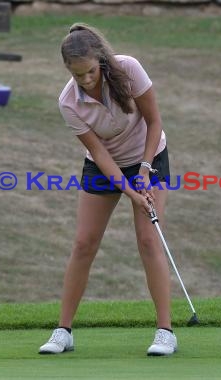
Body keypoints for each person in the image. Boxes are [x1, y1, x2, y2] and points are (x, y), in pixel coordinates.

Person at [39, 23, 177, 356]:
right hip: (105, 165)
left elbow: (154, 121)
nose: (85, 80)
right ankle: (64, 331)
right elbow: (99, 153)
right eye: (77, 76)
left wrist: (144, 171)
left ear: (100, 60)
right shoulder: (68, 101)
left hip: (149, 153)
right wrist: (131, 192)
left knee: (147, 239)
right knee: (83, 243)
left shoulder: (128, 69)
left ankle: (165, 332)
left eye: (89, 72)